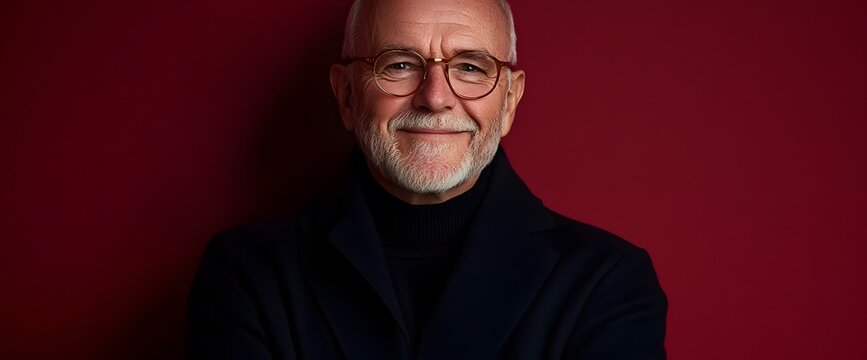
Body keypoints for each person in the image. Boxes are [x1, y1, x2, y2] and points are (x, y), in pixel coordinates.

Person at [185, 0, 668, 358]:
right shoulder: (247, 276)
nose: (435, 97)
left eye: (471, 67)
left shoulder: (608, 284)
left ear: (510, 102)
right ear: (347, 96)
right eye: (398, 64)